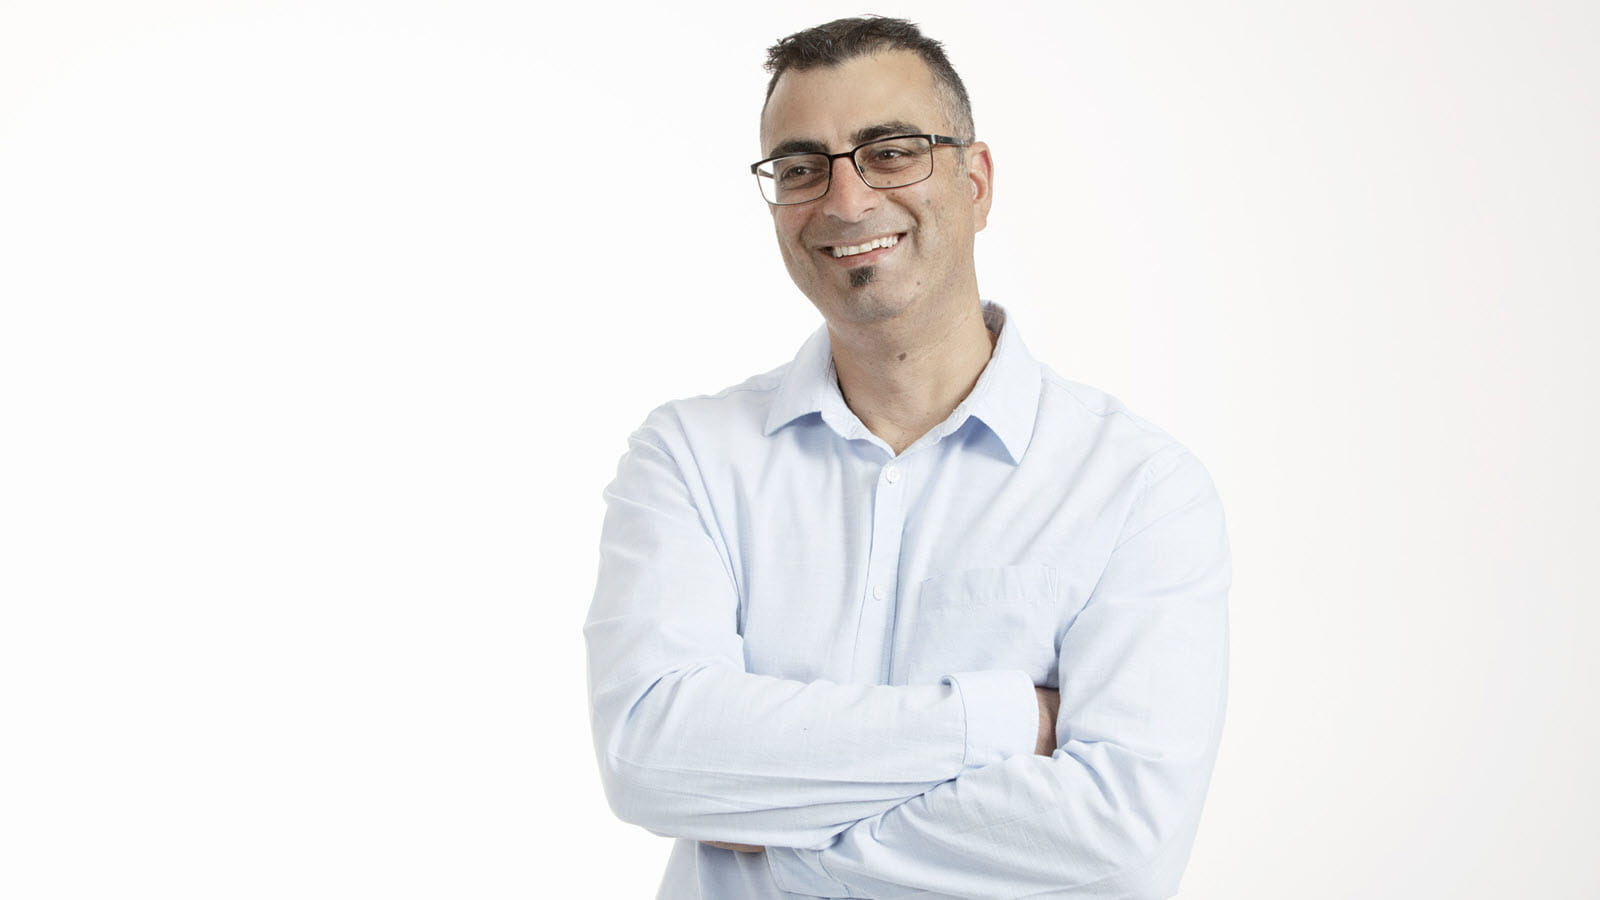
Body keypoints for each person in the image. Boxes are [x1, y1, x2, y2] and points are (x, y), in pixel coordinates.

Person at [584, 16, 1229, 899]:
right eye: (804, 167)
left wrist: (775, 849)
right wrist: (997, 718)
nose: (845, 202)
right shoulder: (690, 459)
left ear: (977, 182)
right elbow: (651, 757)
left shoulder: (1137, 490)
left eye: (890, 152)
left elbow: (1120, 843)